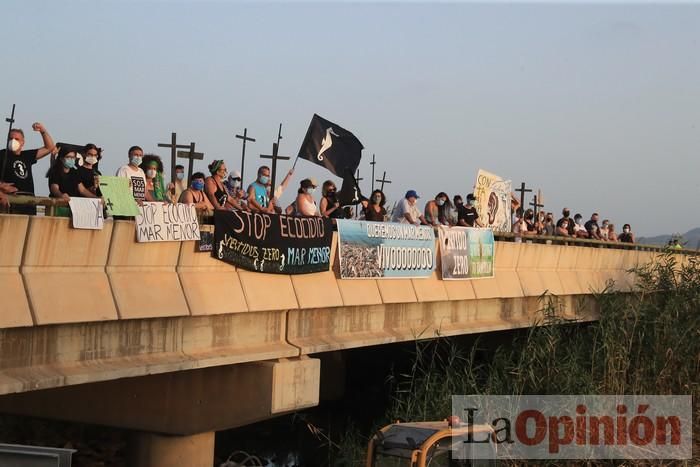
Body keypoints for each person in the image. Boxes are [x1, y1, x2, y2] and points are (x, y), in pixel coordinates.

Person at [0, 123, 56, 214]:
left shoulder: (27, 156)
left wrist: (42, 131)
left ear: (23, 142)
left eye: (17, 139)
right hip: (10, 202)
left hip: (29, 202)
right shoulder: (2, 155)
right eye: (10, 139)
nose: (13, 141)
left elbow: (49, 147)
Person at [47, 150, 96, 216]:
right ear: (61, 158)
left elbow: (82, 190)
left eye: (73, 157)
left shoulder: (75, 172)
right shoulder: (55, 172)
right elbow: (54, 188)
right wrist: (61, 195)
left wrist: (96, 198)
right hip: (57, 206)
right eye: (68, 157)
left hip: (72, 207)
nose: (71, 159)